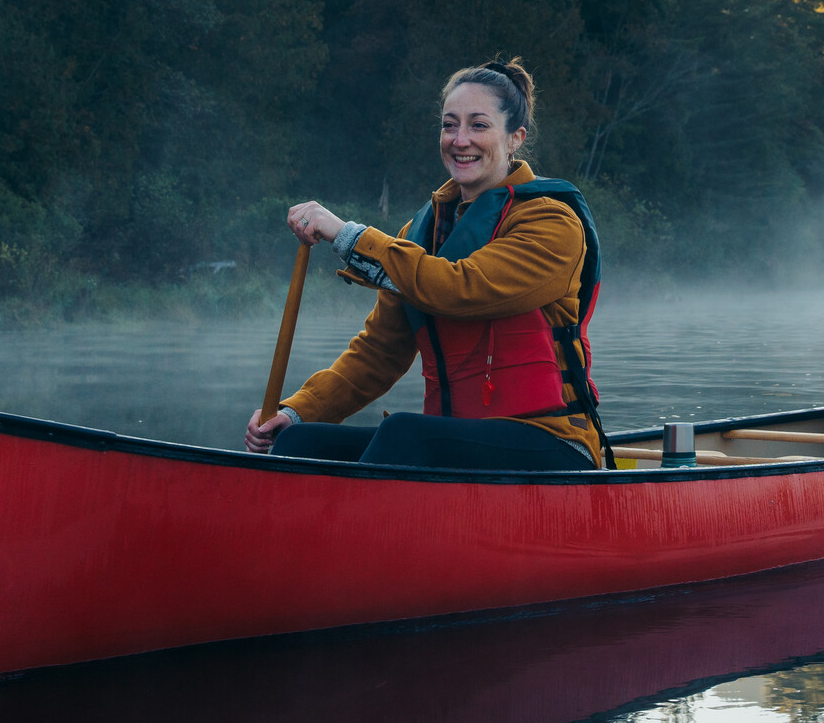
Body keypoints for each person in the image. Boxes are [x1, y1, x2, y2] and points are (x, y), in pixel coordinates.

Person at [244, 59, 607, 471]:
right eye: (449, 125)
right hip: (453, 444)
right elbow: (378, 354)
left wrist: (346, 234)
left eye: (479, 125)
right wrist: (295, 412)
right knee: (302, 442)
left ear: (515, 138)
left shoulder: (552, 222)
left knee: (404, 432)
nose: (460, 139)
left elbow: (460, 289)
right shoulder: (420, 234)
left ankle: (366, 530)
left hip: (553, 444)